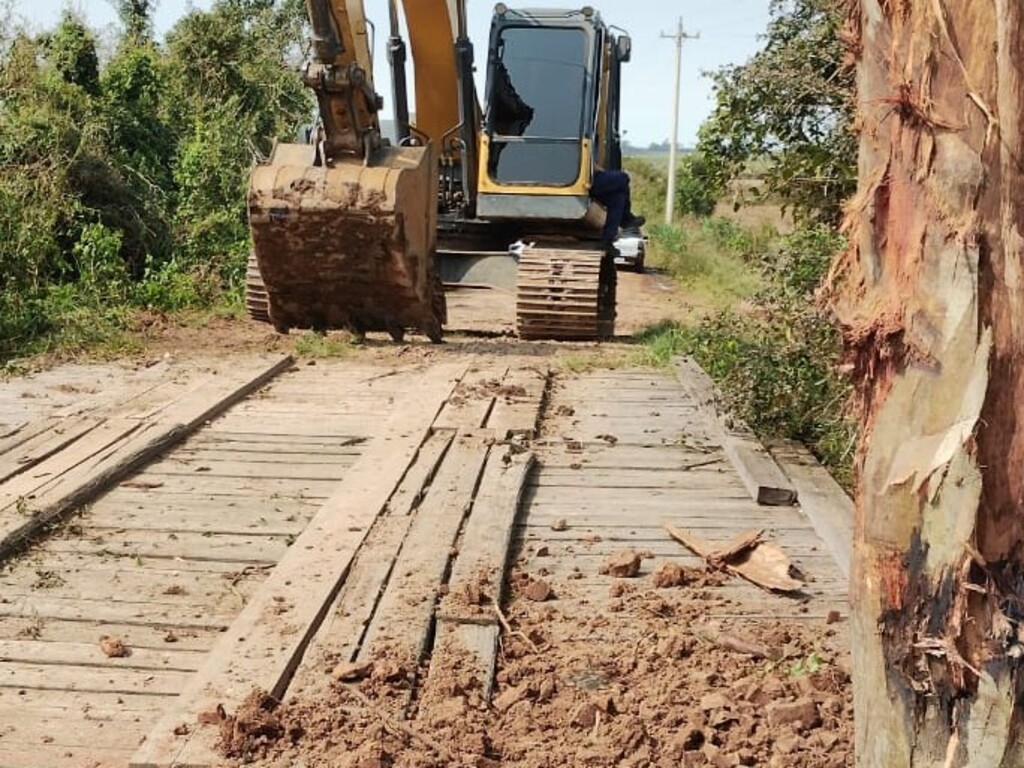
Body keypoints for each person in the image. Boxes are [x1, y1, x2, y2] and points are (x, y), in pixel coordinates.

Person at [590, 168, 645, 249]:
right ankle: (626, 220)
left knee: (618, 198)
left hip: (589, 176)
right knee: (623, 177)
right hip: (583, 179)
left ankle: (607, 240)